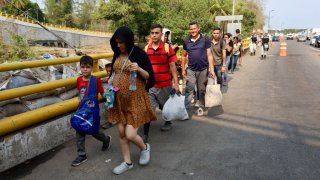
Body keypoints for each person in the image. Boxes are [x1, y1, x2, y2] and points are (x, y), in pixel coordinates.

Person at [107, 26, 156, 175]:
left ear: (128, 41)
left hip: (135, 100)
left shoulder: (139, 54)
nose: (119, 45)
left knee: (130, 134)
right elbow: (114, 72)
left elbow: (149, 76)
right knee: (121, 133)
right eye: (117, 42)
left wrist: (139, 69)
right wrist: (110, 83)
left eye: (121, 42)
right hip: (119, 101)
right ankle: (127, 162)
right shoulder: (116, 54)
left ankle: (145, 148)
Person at [72, 55, 111, 167]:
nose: (85, 69)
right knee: (80, 131)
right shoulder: (79, 80)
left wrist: (109, 100)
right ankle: (81, 155)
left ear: (92, 68)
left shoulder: (96, 80)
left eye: (87, 67)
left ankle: (106, 139)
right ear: (80, 67)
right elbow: (80, 94)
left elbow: (102, 93)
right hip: (81, 110)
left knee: (94, 131)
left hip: (93, 111)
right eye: (83, 66)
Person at [143, 24, 180, 142]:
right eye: (152, 33)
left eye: (156, 33)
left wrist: (176, 83)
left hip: (166, 85)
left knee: (165, 106)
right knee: (149, 109)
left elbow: (172, 66)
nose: (154, 35)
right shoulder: (146, 49)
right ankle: (145, 134)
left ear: (161, 34)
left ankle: (168, 121)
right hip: (151, 85)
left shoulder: (167, 48)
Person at [182, 21, 215, 111]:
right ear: (189, 30)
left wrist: (212, 69)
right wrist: (183, 70)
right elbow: (183, 55)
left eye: (194, 28)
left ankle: (201, 105)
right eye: (191, 29)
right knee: (189, 89)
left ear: (198, 29)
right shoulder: (186, 40)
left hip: (203, 69)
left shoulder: (205, 39)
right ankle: (185, 110)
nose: (193, 31)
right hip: (191, 69)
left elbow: (209, 54)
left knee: (202, 89)